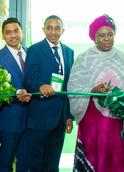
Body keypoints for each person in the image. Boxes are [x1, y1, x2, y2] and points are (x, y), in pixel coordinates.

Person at [68, 14, 124, 172]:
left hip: (118, 123)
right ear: (94, 37)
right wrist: (93, 91)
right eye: (101, 35)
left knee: (116, 161)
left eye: (110, 34)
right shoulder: (84, 59)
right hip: (92, 122)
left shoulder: (122, 59)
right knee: (94, 160)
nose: (106, 38)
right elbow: (73, 89)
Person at [24, 15, 74, 171]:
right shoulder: (34, 50)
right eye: (49, 28)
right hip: (40, 117)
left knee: (53, 164)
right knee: (37, 164)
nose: (53, 32)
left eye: (57, 28)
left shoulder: (69, 52)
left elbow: (68, 86)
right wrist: (39, 86)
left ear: (63, 30)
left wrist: (68, 116)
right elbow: (28, 81)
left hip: (60, 118)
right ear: (43, 29)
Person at [0, 17, 31, 172]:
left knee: (25, 162)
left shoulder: (31, 53)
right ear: (3, 36)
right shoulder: (0, 56)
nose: (13, 35)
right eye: (8, 32)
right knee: (5, 161)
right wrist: (16, 93)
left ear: (22, 32)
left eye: (16, 31)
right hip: (9, 119)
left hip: (32, 119)